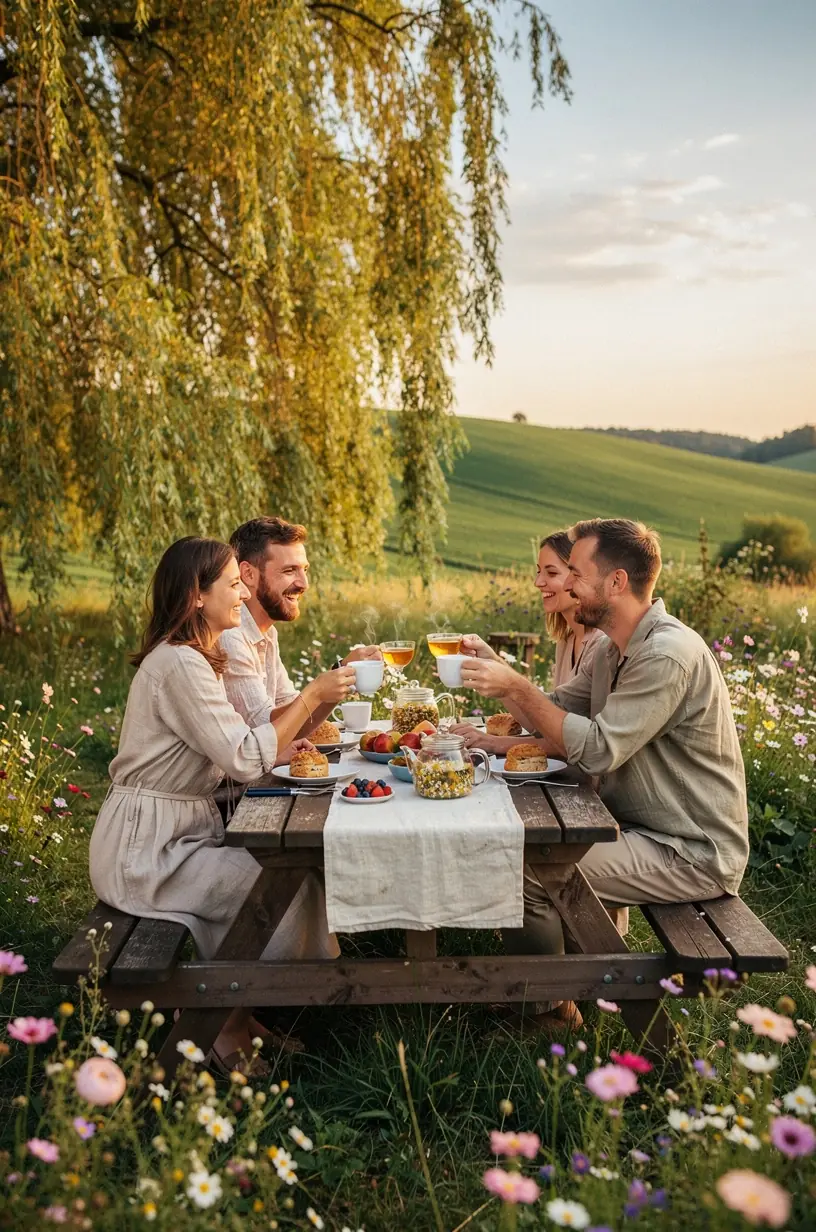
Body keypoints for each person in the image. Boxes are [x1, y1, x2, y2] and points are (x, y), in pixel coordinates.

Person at [460, 517, 749, 1034]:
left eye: (576, 573)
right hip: (643, 832)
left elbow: (594, 751)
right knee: (528, 850)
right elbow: (550, 713)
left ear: (616, 582)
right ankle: (561, 992)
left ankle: (549, 1013)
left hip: (691, 849)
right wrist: (502, 678)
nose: (566, 585)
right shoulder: (614, 648)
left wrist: (516, 690)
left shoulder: (664, 655)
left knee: (527, 867)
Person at [89, 537, 345, 1071]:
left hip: (173, 835)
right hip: (147, 853)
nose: (242, 591)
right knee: (277, 888)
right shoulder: (180, 664)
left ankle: (234, 1014)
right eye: (232, 583)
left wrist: (284, 742)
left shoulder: (198, 659)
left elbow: (244, 744)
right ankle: (215, 1027)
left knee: (285, 874)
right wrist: (313, 696)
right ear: (196, 597)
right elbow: (244, 757)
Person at [452, 529, 605, 755]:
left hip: (586, 787)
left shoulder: (600, 645)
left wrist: (490, 742)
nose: (538, 582)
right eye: (538, 572)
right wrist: (492, 661)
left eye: (551, 573)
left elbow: (572, 743)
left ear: (577, 577)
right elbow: (541, 723)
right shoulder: (567, 640)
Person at [222, 517, 381, 734]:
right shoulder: (230, 636)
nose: (303, 584)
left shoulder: (267, 634)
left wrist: (342, 674)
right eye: (289, 571)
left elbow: (295, 719)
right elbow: (266, 729)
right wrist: (320, 689)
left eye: (304, 570)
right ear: (248, 574)